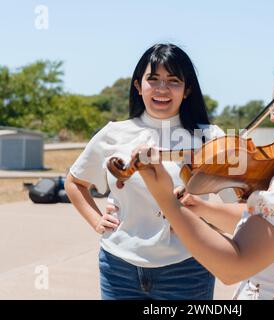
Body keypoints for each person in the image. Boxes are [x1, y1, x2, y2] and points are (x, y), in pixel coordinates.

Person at [132, 53, 274, 300]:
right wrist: (200, 208)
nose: (273, 116)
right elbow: (267, 227)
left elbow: (233, 266)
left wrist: (166, 201)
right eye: (273, 106)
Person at [65, 44, 230, 300]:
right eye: (153, 80)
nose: (162, 89)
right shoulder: (114, 133)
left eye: (173, 81)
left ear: (187, 90)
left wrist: (205, 218)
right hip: (118, 267)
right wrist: (96, 220)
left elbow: (242, 204)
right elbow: (74, 183)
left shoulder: (210, 137)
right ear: (138, 86)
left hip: (187, 268)